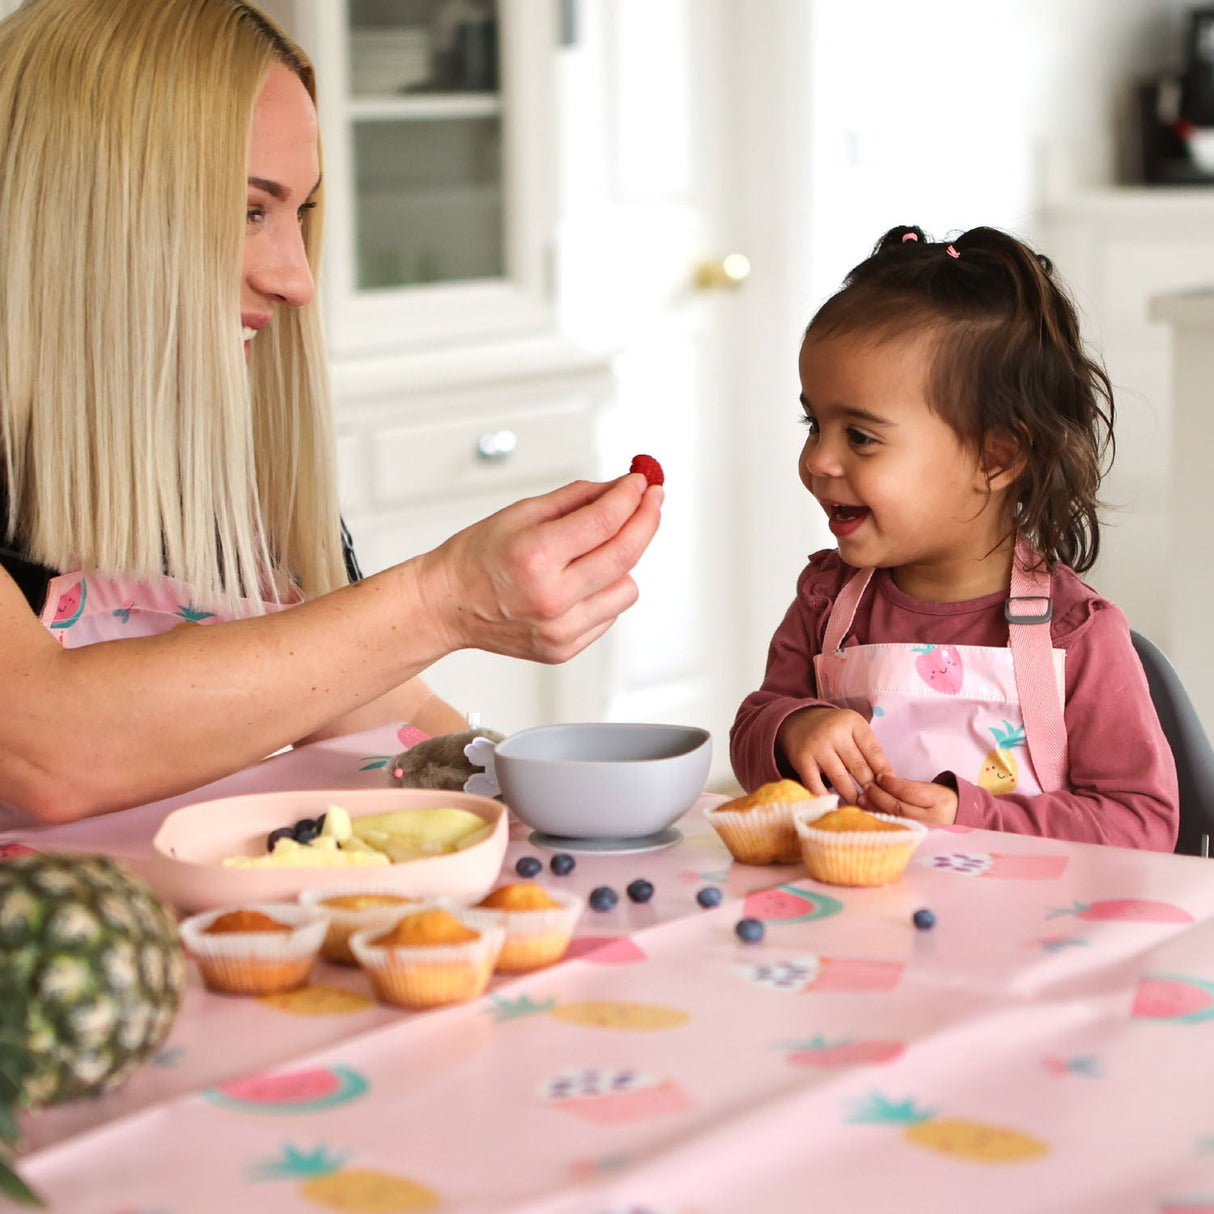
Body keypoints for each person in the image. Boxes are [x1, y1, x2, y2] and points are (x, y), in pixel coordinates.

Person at [0, 0, 662, 824]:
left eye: (299, 213)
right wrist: (443, 597)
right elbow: (46, 747)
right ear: (85, 211)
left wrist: (536, 794)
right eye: (250, 210)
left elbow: (373, 706)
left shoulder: (224, 471)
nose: (296, 279)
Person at [730, 224, 1178, 850]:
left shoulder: (1076, 634)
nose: (819, 461)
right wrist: (791, 728)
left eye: (860, 436)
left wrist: (975, 820)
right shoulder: (824, 604)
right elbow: (752, 735)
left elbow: (1142, 826)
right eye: (814, 425)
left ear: (996, 458)